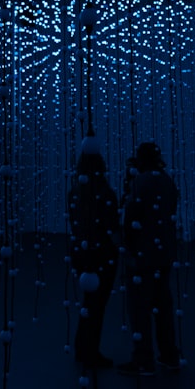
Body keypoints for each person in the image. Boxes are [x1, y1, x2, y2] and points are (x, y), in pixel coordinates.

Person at [117, 142, 180, 377]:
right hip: (164, 253)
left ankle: (143, 360)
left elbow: (129, 216)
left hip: (143, 255)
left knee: (139, 309)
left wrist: (129, 250)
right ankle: (170, 355)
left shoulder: (140, 182)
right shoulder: (167, 181)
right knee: (163, 306)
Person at [67, 149, 120, 370]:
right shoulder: (105, 193)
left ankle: (83, 348)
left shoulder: (75, 192)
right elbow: (112, 228)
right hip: (102, 255)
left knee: (89, 302)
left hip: (81, 252)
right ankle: (89, 352)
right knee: (96, 305)